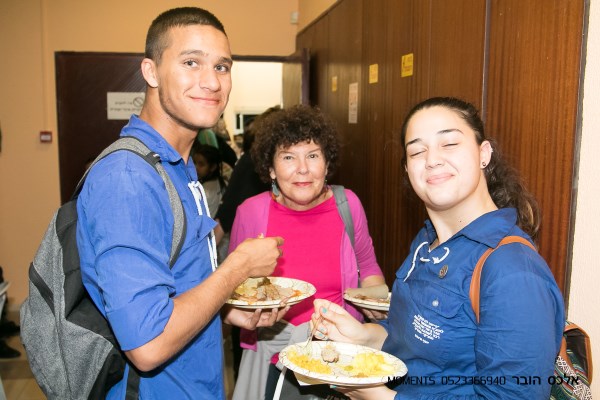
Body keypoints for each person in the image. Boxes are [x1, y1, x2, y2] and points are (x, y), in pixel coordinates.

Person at [76, 7, 288, 399]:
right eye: (191, 62)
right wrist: (238, 267)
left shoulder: (178, 166)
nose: (211, 81)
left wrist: (226, 310)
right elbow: (148, 344)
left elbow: (176, 291)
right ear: (151, 72)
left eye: (222, 67)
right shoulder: (128, 178)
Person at [310, 97, 565, 400]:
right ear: (407, 170)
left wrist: (382, 398)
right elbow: (410, 340)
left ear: (483, 154)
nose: (432, 159)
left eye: (449, 144)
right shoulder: (425, 244)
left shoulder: (512, 271)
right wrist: (363, 336)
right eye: (417, 151)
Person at [230, 104, 387, 400]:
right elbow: (232, 289)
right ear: (271, 168)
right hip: (274, 357)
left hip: (340, 354)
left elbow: (368, 268)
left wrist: (376, 304)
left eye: (313, 155)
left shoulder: (347, 205)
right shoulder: (251, 213)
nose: (302, 169)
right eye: (288, 157)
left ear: (327, 165)